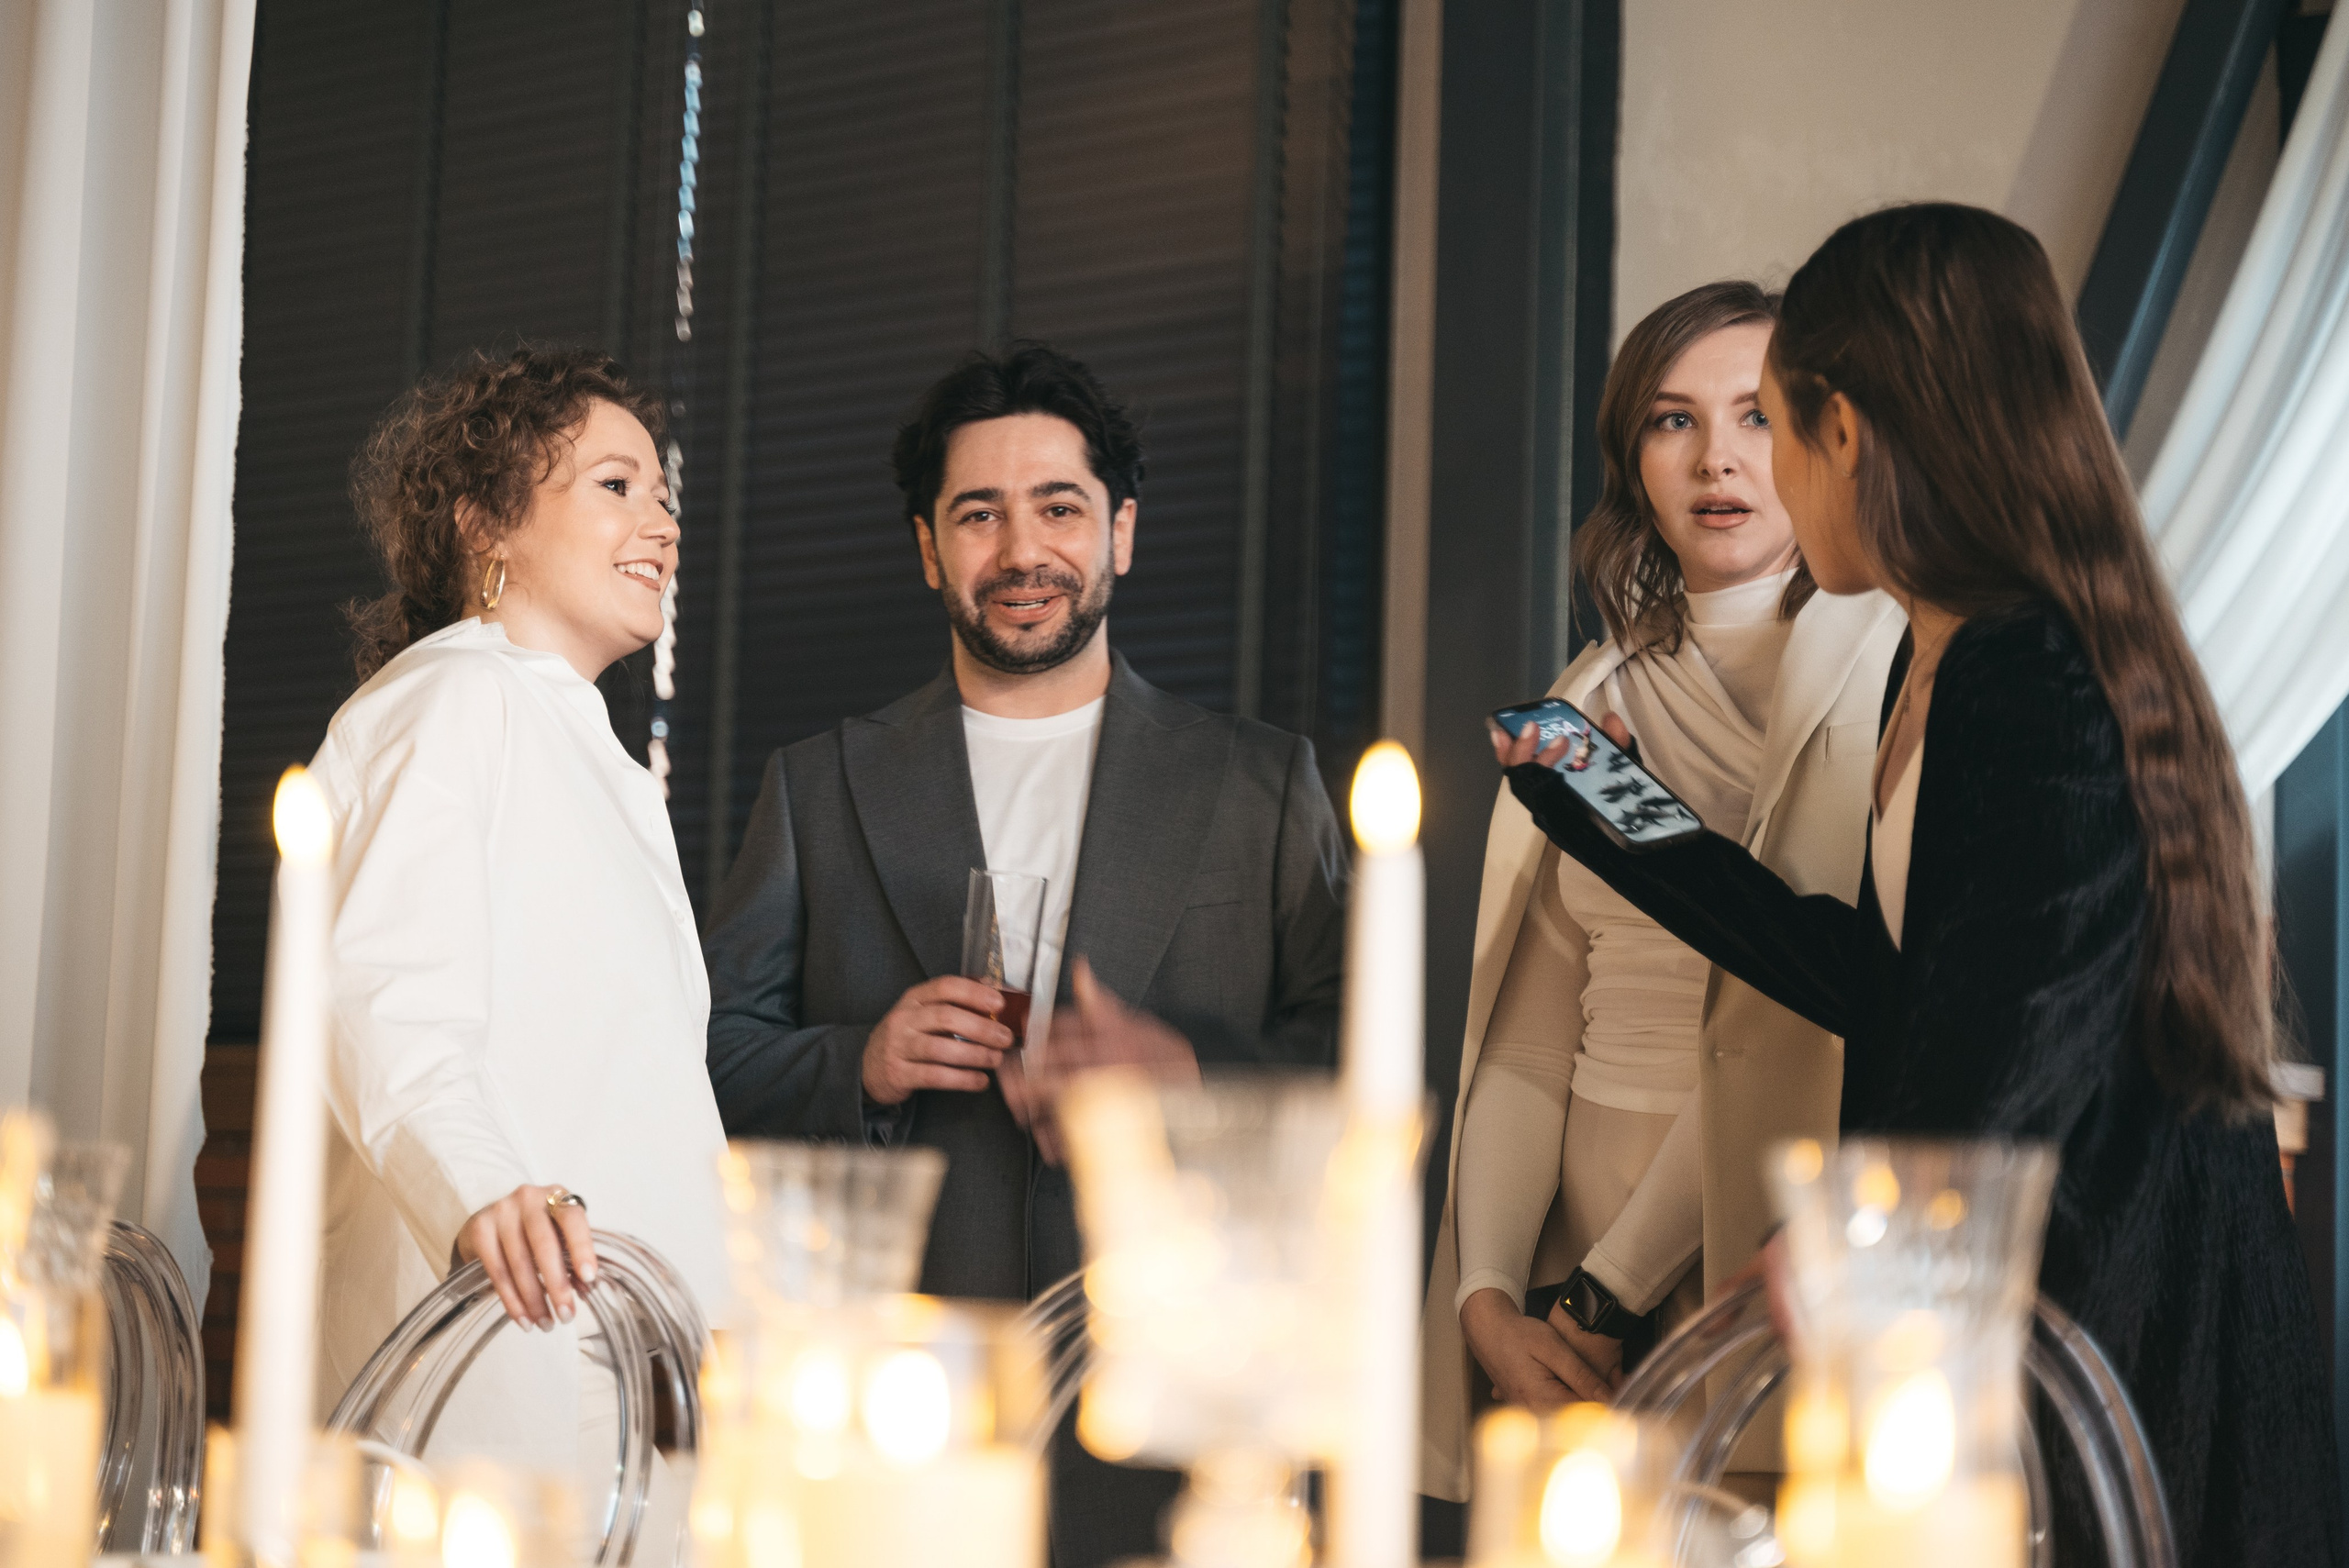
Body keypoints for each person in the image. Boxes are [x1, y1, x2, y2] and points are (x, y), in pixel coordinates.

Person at [1495, 204, 2341, 1566]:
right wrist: (1604, 803)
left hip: (2108, 1330)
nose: (1756, 466)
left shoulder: (2030, 676)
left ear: (1847, 431)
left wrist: (1857, 1235)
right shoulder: (1937, 656)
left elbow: (2015, 1040)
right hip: (2019, 1320)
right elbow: (1894, 986)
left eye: (1774, 423)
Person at [701, 342, 1347, 1568]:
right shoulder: (817, 786)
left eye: (1058, 507)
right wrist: (863, 1060)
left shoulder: (1261, 784)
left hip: (1181, 1408)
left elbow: (1363, 1064)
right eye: (978, 514)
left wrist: (1188, 1076)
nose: (1021, 551)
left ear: (1121, 533)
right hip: (897, 1418)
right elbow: (708, 1060)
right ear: (928, 548)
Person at [1419, 282, 1904, 1502]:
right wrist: (1489, 1295)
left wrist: (1613, 1288)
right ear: (1631, 458)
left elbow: (1780, 1030)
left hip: (1759, 1259)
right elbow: (1529, 1036)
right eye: (1673, 420)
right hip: (1566, 1286)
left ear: (1826, 437)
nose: (1716, 459)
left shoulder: (1889, 678)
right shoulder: (1583, 700)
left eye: (1756, 415)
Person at [310, 347, 730, 1470]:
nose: (662, 523)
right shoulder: (451, 698)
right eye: (615, 485)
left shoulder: (590, 751)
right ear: (485, 525)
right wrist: (480, 1191)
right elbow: (383, 995)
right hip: (501, 1338)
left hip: (628, 1341)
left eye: (663, 494)